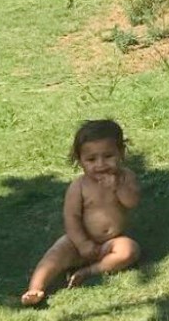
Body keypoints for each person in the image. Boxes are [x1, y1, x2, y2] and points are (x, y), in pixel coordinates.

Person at [21, 119, 141, 306]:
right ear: (80, 160)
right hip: (77, 242)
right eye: (91, 159)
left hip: (110, 243)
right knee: (54, 255)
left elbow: (132, 202)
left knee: (130, 250)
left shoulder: (125, 177)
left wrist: (118, 187)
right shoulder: (79, 186)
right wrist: (82, 243)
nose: (101, 164)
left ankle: (91, 270)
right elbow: (72, 218)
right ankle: (36, 287)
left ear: (121, 153)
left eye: (108, 156)